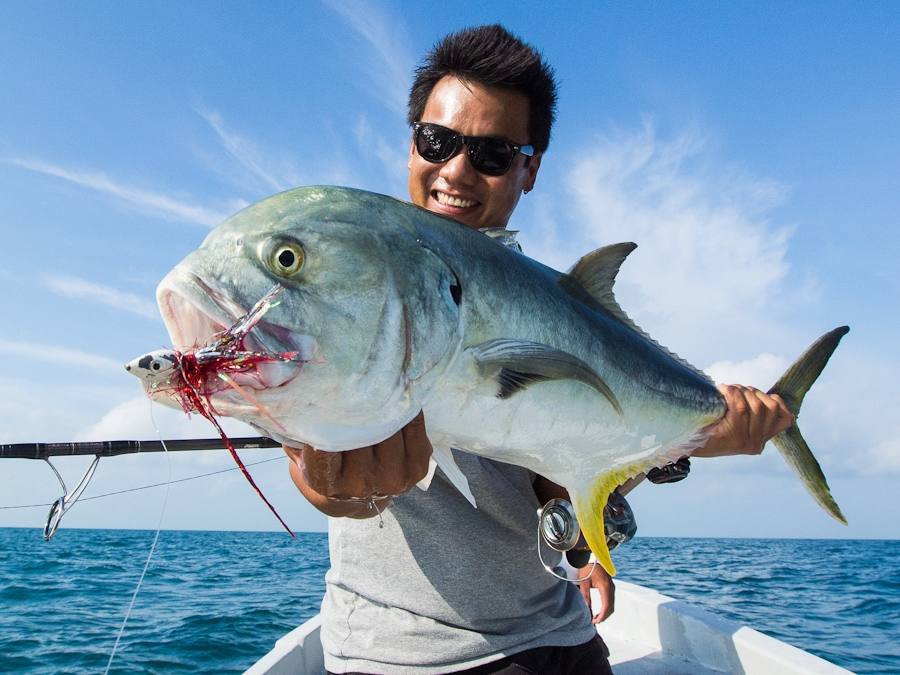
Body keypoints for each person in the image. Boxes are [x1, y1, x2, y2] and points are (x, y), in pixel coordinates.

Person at [284, 24, 794, 675]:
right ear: (411, 142)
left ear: (530, 167)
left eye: (493, 153)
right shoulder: (361, 268)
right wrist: (333, 482)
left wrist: (681, 448)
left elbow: (559, 482)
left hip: (559, 635)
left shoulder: (560, 305)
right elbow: (316, 457)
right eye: (437, 141)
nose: (458, 170)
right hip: (404, 656)